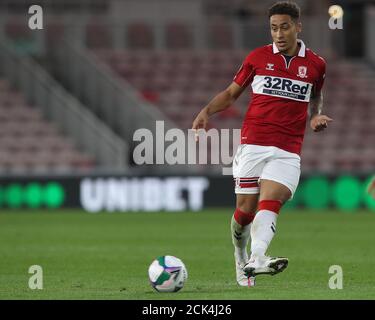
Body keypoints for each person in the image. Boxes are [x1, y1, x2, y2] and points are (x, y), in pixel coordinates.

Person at [192, 1, 332, 286]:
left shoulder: (316, 65)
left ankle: (257, 259)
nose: (279, 34)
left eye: (284, 27)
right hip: (253, 144)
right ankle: (241, 253)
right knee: (244, 212)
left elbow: (316, 95)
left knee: (271, 201)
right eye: (273, 28)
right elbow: (231, 94)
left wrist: (315, 116)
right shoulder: (257, 58)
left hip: (288, 149)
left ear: (298, 27)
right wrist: (207, 111)